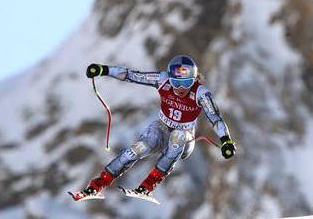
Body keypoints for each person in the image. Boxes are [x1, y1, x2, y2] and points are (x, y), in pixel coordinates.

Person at [75, 55, 236, 199]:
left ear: (194, 80)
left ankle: (147, 187)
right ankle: (96, 186)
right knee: (137, 149)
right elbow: (131, 75)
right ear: (170, 78)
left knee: (178, 136)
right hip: (162, 127)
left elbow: (215, 118)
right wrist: (103, 70)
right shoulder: (162, 79)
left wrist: (226, 140)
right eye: (176, 82)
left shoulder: (201, 93)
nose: (181, 89)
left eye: (186, 83)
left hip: (185, 136)